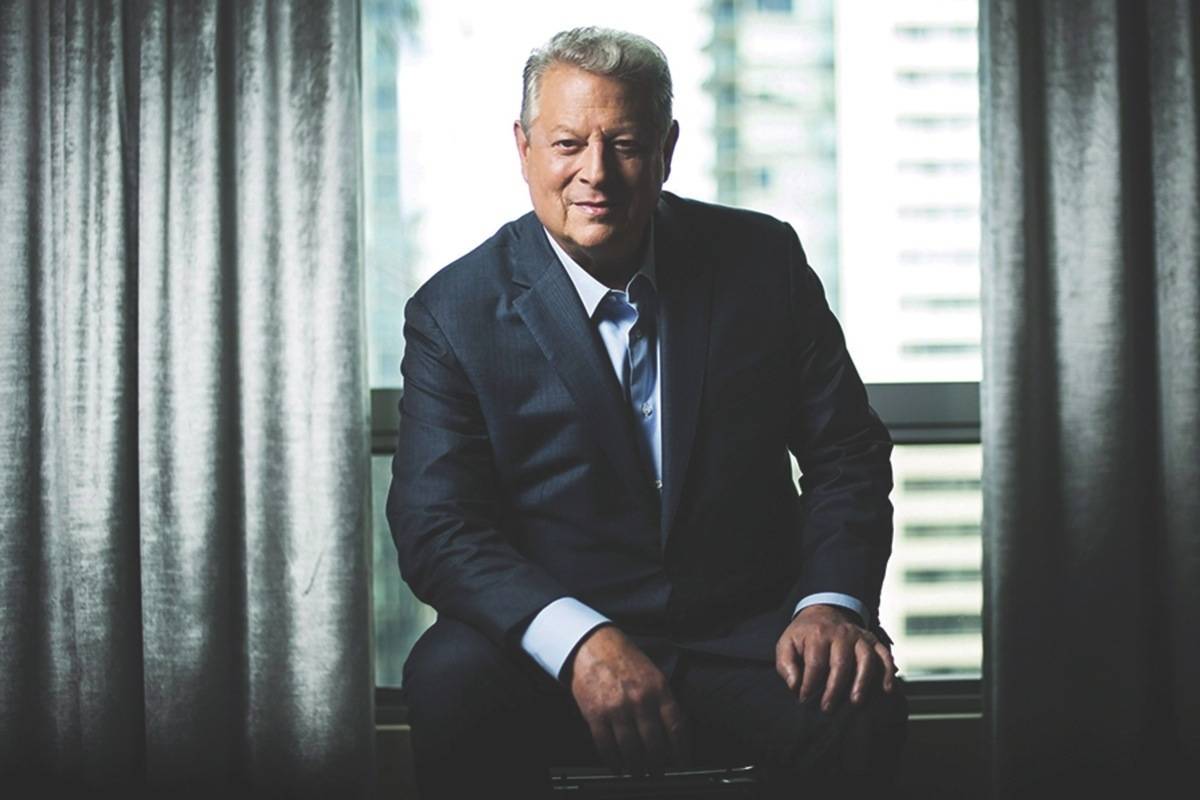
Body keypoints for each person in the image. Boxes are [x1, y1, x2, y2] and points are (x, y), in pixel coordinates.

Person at [388, 26, 906, 799]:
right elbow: (439, 527)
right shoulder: (454, 312)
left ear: (667, 148)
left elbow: (846, 455)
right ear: (523, 147)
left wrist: (829, 603)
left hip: (747, 630)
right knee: (445, 681)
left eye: (625, 143)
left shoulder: (762, 262)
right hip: (550, 643)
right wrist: (582, 641)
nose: (596, 174)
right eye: (567, 144)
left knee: (855, 696)